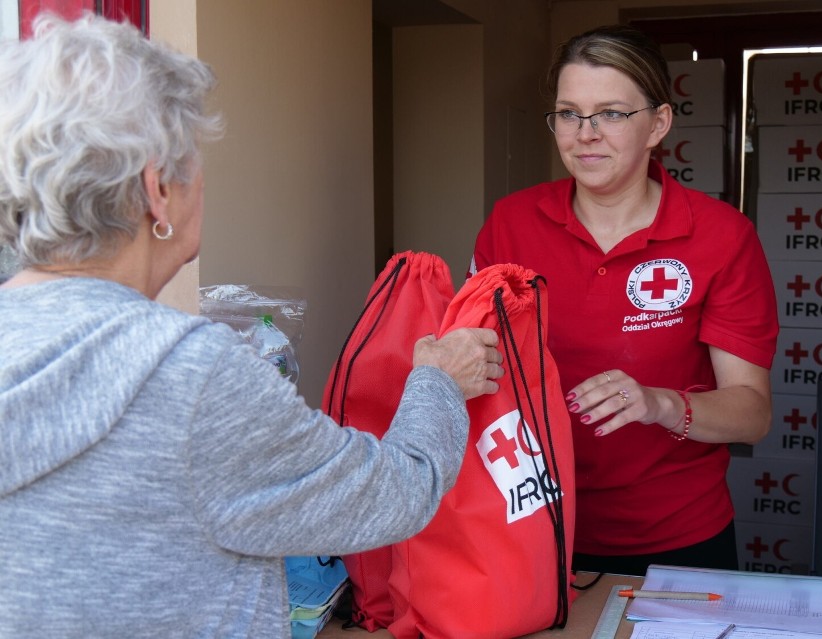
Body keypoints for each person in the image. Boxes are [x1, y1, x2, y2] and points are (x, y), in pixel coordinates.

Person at [0, 13, 504, 638]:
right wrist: (438, 380)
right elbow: (394, 493)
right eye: (194, 166)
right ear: (158, 190)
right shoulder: (190, 376)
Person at [468, 24, 778, 576]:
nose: (585, 133)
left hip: (676, 534)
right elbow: (477, 363)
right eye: (569, 113)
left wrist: (660, 404)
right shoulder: (510, 223)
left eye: (611, 113)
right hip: (531, 521)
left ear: (658, 123)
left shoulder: (721, 237)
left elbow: (751, 413)